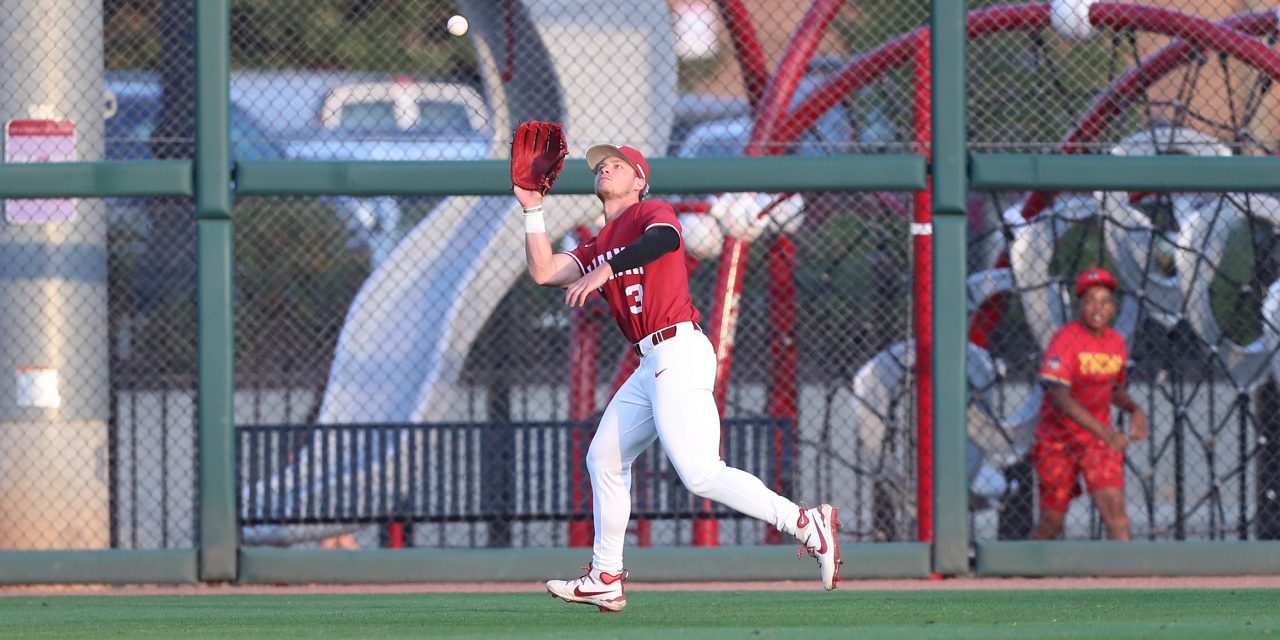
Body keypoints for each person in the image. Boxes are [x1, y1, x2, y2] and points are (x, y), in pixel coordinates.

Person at [514, 143, 841, 612]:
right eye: (601, 165)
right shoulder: (598, 243)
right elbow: (545, 271)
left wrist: (606, 269)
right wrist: (532, 208)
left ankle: (804, 522)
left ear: (640, 181)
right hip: (649, 362)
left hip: (678, 348)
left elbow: (665, 240)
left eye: (618, 164)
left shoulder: (650, 212)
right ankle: (605, 576)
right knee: (604, 458)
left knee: (701, 473)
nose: (605, 168)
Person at [1031, 267, 1148, 541]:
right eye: (1091, 300)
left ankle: (1126, 568)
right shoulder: (1065, 339)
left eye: (1105, 302)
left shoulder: (1116, 343)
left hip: (1096, 443)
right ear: (1080, 304)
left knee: (1115, 513)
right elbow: (1060, 396)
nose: (1098, 308)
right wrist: (1106, 432)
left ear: (1113, 307)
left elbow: (1113, 388)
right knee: (1052, 523)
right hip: (1059, 441)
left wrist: (1134, 409)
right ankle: (1022, 566)